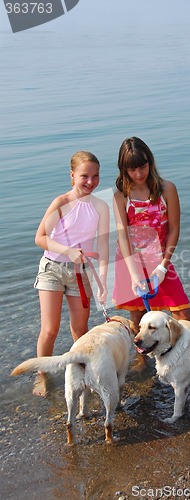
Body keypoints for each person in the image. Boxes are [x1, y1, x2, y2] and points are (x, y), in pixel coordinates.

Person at [33, 151, 110, 396]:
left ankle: (83, 373)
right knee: (50, 330)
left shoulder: (101, 206)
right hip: (52, 270)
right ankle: (42, 375)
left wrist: (103, 282)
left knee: (80, 328)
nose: (90, 181)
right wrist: (69, 250)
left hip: (82, 272)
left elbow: (104, 246)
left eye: (95, 176)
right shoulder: (61, 202)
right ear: (72, 175)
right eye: (84, 176)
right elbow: (40, 238)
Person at [113, 136, 190, 336]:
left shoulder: (167, 189)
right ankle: (143, 362)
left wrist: (163, 266)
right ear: (124, 169)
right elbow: (123, 236)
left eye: (143, 166)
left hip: (159, 263)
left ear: (150, 162)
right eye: (132, 169)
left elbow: (174, 229)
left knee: (184, 315)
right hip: (130, 264)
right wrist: (133, 276)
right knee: (138, 318)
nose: (138, 174)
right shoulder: (121, 196)